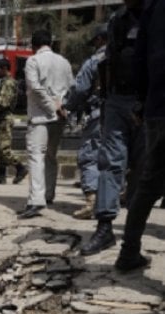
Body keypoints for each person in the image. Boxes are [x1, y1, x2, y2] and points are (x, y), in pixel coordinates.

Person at [80, 0, 146, 254]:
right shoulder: (118, 20)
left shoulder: (157, 16)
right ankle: (105, 227)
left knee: (144, 170)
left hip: (150, 102)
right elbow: (109, 61)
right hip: (118, 100)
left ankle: (133, 238)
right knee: (110, 162)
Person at [113, 0, 163, 272]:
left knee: (147, 186)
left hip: (157, 107)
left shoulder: (152, 9)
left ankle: (128, 252)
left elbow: (140, 59)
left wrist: (142, 102)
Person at [17, 30, 73, 219]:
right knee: (50, 156)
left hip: (41, 116)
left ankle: (36, 201)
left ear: (34, 45)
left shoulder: (33, 61)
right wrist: (62, 107)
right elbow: (71, 87)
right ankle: (48, 194)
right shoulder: (64, 62)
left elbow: (35, 88)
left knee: (36, 157)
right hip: (60, 115)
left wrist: (51, 107)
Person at [63, 24, 108, 219]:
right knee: (119, 157)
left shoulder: (95, 61)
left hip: (100, 114)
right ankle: (117, 198)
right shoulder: (135, 56)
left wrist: (69, 106)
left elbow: (80, 90)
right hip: (132, 114)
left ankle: (92, 202)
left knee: (89, 155)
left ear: (99, 40)